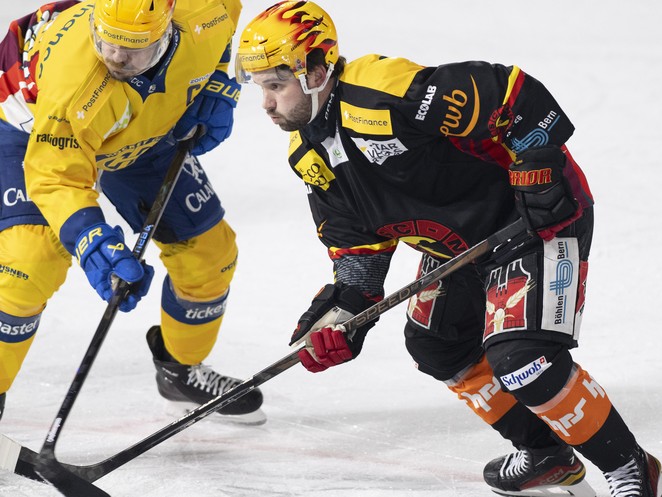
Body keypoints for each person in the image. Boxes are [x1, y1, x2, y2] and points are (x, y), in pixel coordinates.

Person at [234, 1, 661, 495]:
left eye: (275, 85)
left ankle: (631, 467)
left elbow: (513, 94)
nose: (266, 103)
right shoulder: (309, 157)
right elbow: (360, 256)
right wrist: (342, 319)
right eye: (260, 87)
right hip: (458, 248)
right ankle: (547, 454)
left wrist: (537, 167)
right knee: (437, 343)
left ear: (315, 71)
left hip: (527, 222)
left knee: (524, 358)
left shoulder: (382, 91)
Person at [0, 0, 265, 425]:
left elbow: (226, 24)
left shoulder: (205, 12)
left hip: (139, 126)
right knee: (28, 263)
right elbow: (55, 177)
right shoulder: (76, 82)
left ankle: (180, 372)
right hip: (29, 123)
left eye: (133, 47)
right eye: (106, 41)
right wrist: (91, 240)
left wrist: (217, 78)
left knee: (209, 254)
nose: (116, 57)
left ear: (167, 31)